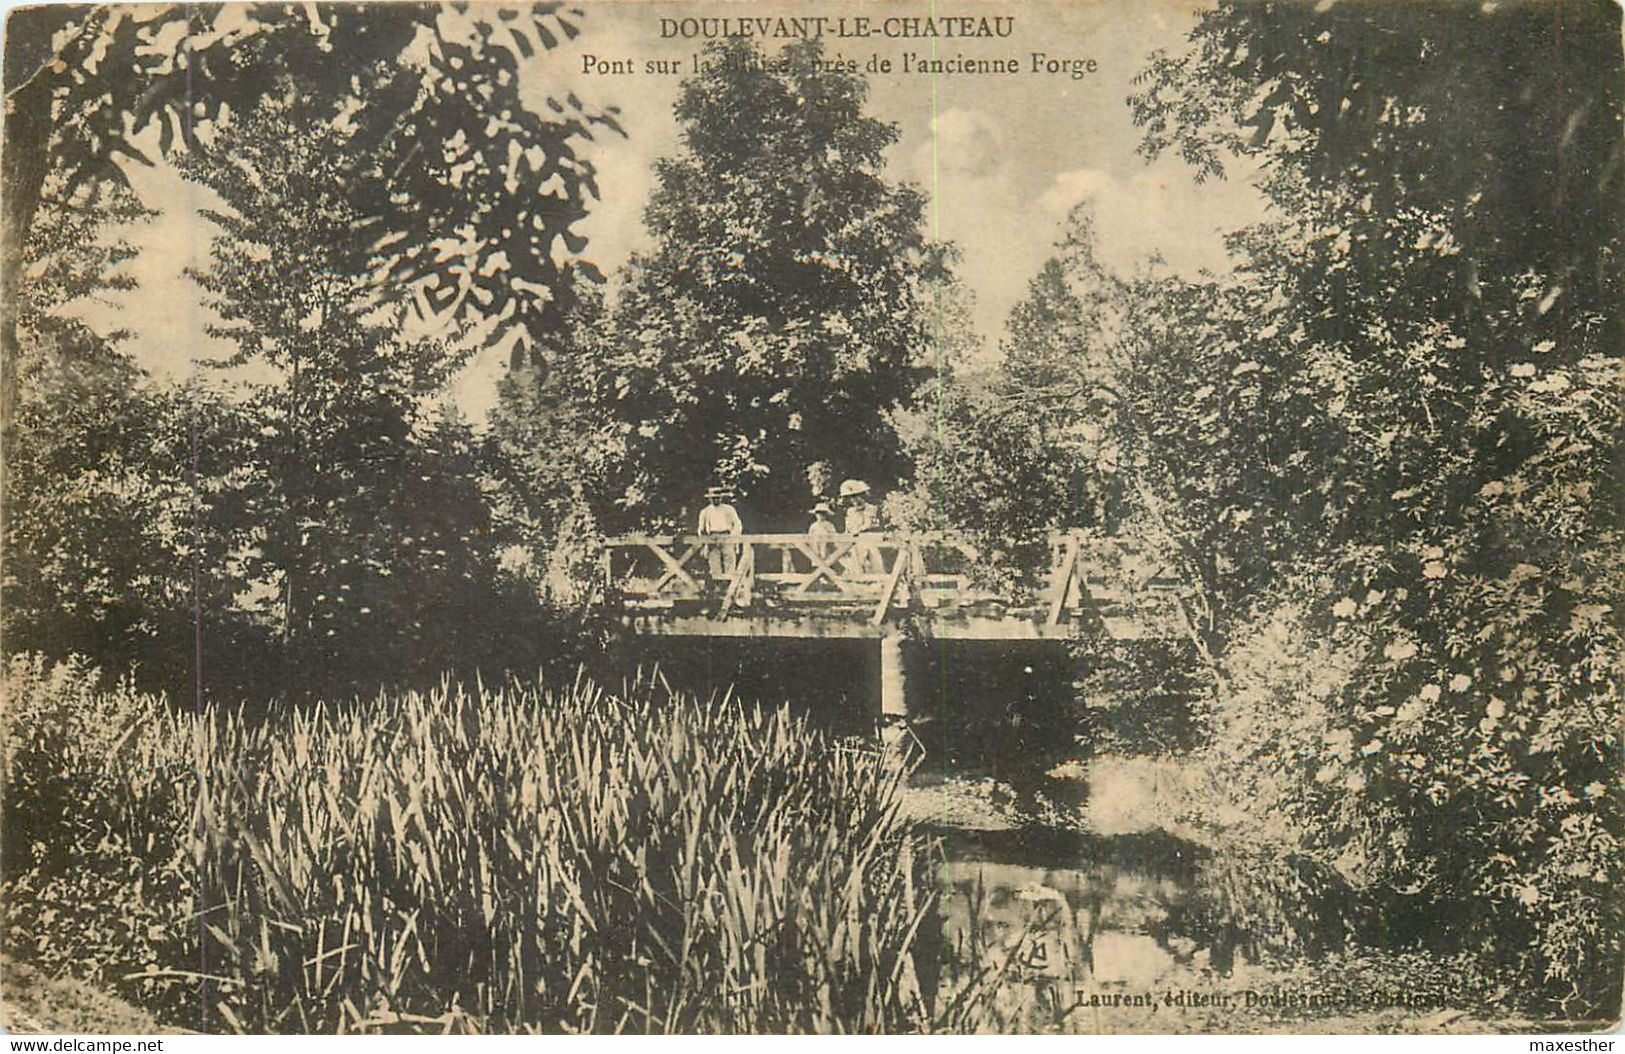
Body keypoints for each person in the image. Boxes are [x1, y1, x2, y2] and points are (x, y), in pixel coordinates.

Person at [697, 485, 743, 583]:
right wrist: (704, 540)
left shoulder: (729, 509)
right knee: (714, 563)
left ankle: (729, 585)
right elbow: (701, 528)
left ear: (721, 498)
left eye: (717, 497)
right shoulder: (706, 511)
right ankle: (718, 585)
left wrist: (733, 537)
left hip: (727, 536)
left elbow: (737, 524)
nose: (715, 500)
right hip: (712, 538)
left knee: (729, 560)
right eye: (713, 498)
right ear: (709, 499)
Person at [838, 479, 881, 575]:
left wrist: (858, 531)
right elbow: (848, 529)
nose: (855, 500)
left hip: (870, 542)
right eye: (851, 498)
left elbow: (869, 525)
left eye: (856, 496)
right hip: (854, 545)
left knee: (873, 565)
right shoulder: (850, 511)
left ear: (862, 495)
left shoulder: (871, 509)